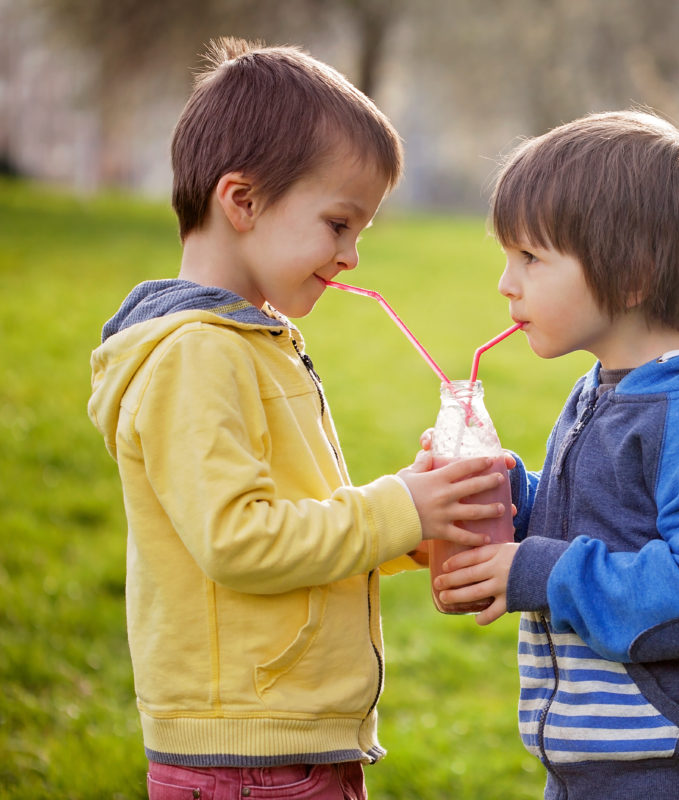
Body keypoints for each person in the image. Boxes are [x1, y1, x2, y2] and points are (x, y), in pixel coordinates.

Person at [87, 38, 504, 799]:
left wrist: (416, 519)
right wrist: (395, 509)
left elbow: (296, 522)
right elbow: (240, 541)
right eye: (339, 225)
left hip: (290, 745)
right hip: (249, 757)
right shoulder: (196, 357)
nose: (350, 258)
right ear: (241, 202)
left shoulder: (254, 343)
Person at [432, 110, 679, 800]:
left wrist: (540, 572)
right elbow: (606, 520)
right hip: (598, 763)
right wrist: (508, 499)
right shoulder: (601, 391)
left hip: (673, 770)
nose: (507, 282)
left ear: (633, 276)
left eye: (530, 258)